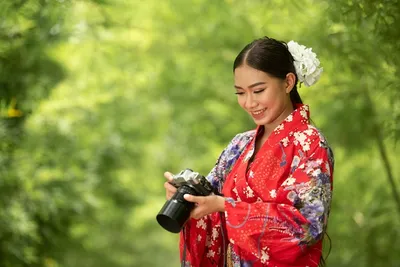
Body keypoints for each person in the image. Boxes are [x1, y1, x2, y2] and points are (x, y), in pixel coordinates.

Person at [164, 36, 334, 267]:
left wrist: (226, 206)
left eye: (258, 90)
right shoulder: (239, 145)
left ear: (288, 82)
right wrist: (187, 198)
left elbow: (305, 228)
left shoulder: (310, 144)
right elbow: (208, 203)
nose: (249, 102)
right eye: (241, 93)